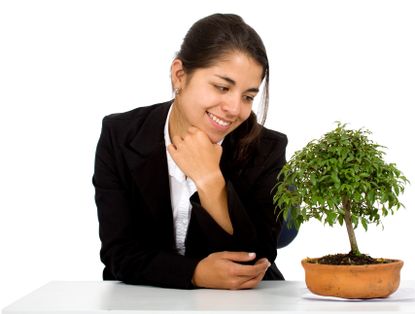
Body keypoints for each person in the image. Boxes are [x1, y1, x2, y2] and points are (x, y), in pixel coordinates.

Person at [93, 13, 288, 290]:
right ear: (179, 75)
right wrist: (194, 273)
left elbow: (254, 262)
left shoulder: (267, 149)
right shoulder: (120, 135)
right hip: (143, 301)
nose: (234, 109)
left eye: (248, 97)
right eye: (222, 87)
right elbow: (119, 254)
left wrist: (210, 180)